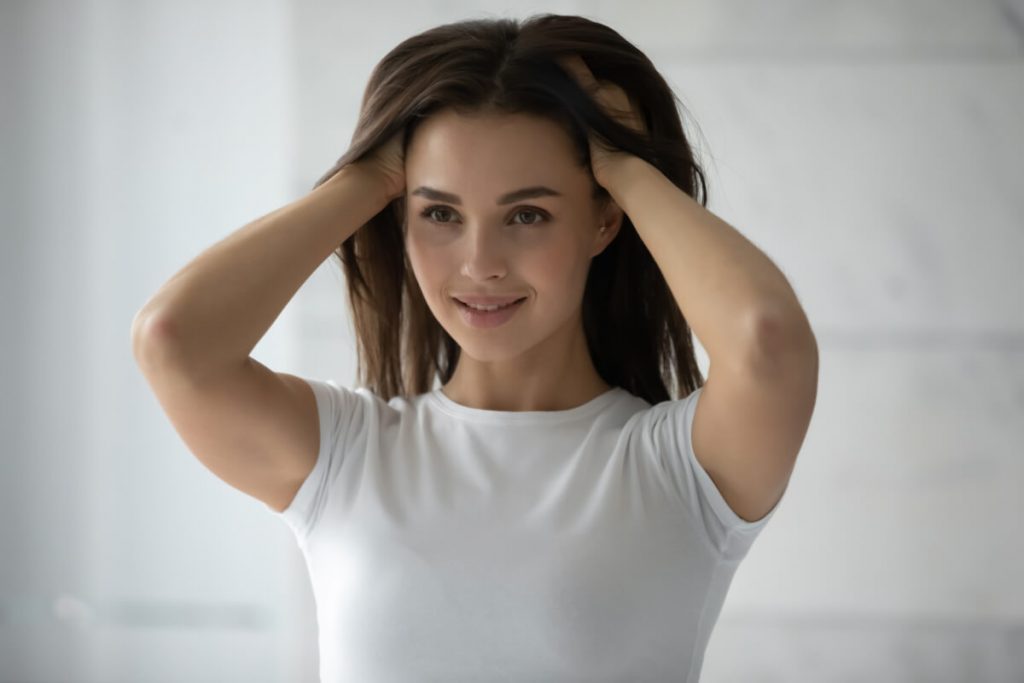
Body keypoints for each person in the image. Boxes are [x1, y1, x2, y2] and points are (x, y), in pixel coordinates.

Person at [131, 13, 818, 682]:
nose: (479, 263)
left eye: (527, 214)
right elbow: (174, 341)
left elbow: (768, 339)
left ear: (605, 217)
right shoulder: (346, 457)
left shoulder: (681, 472)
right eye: (440, 213)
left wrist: (622, 162)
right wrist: (368, 175)